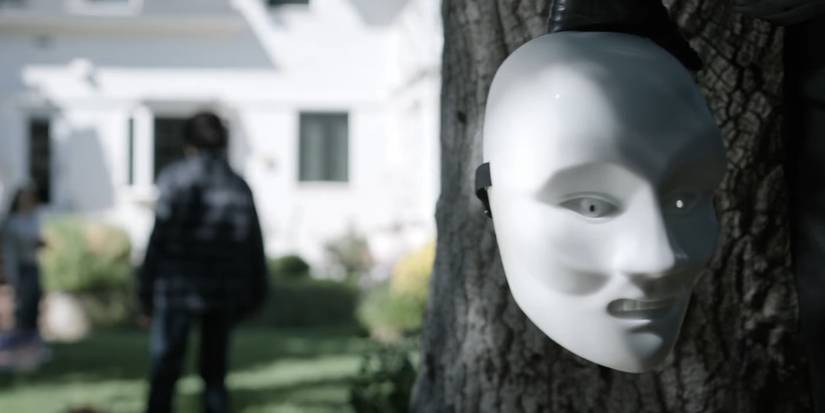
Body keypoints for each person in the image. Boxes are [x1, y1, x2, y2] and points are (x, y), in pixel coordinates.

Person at [140, 112, 268, 413]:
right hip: (221, 291)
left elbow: (158, 240)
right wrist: (257, 293)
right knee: (215, 373)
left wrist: (145, 290)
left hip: (176, 290)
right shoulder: (237, 185)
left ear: (189, 143)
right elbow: (254, 244)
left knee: (165, 368)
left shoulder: (174, 179)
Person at [0, 183, 49, 369]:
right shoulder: (11, 222)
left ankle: (32, 347)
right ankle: (20, 349)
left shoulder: (34, 218)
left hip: (32, 265)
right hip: (18, 267)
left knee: (33, 305)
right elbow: (10, 247)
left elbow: (35, 239)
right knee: (22, 305)